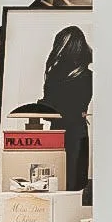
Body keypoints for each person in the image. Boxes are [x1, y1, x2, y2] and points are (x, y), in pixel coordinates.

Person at [41, 24, 93, 202]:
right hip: (77, 130)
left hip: (58, 131)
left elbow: (48, 105)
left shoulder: (53, 75)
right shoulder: (87, 76)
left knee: (59, 177)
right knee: (75, 178)